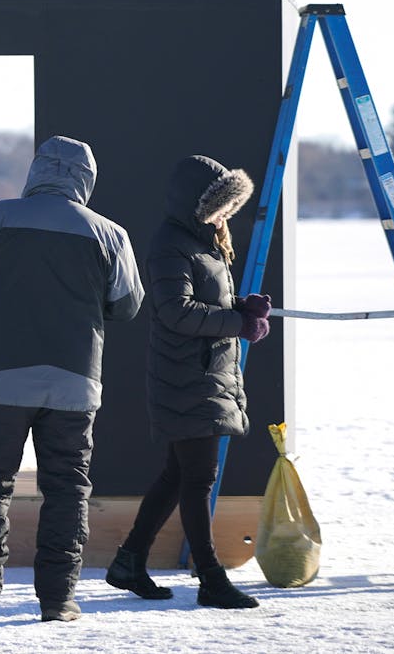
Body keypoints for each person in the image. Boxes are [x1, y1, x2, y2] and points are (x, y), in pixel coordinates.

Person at [0, 135, 144, 622]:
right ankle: (58, 598)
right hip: (73, 381)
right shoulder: (110, 234)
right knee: (68, 489)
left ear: (35, 173)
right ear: (86, 181)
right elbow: (127, 306)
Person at [105, 155, 270, 610]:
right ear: (195, 204)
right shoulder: (170, 244)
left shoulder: (204, 243)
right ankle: (211, 579)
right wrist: (237, 323)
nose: (224, 216)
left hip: (202, 374)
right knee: (198, 477)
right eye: (219, 207)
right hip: (185, 376)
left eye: (228, 208)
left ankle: (129, 561)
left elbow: (205, 299)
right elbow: (176, 312)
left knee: (179, 475)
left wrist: (242, 305)